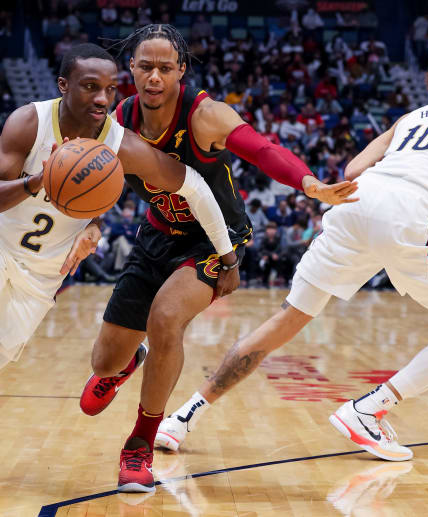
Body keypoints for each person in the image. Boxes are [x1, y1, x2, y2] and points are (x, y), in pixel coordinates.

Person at [0, 43, 240, 484]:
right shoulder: (30, 121)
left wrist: (226, 252)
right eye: (90, 87)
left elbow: (194, 186)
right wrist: (35, 181)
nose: (103, 99)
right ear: (63, 86)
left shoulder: (119, 144)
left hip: (44, 276)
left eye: (110, 89)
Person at [76, 24, 357, 493]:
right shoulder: (117, 120)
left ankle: (140, 444)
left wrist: (308, 184)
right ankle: (127, 364)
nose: (154, 77)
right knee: (103, 362)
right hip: (157, 235)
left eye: (165, 68)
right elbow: (90, 178)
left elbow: (263, 150)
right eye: (145, 66)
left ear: (180, 71)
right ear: (131, 69)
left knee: (167, 318)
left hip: (214, 241)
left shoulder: (205, 114)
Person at [156, 46, 428, 463]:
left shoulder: (412, 118)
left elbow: (351, 171)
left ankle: (183, 417)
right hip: (409, 218)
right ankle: (369, 409)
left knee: (287, 320)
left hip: (357, 202)